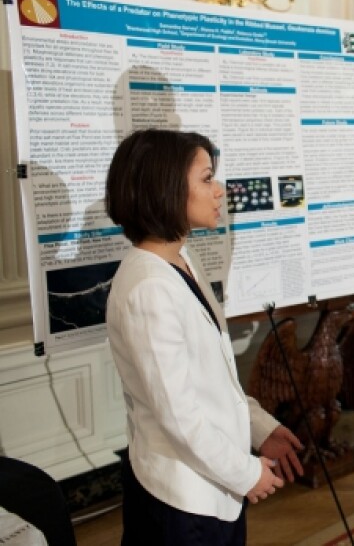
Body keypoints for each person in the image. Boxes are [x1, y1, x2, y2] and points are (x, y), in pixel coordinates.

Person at [104, 129, 305, 545]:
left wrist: (259, 428)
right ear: (167, 188)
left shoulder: (181, 260)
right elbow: (179, 415)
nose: (219, 190)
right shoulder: (148, 287)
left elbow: (212, 380)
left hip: (211, 488)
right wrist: (245, 473)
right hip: (182, 501)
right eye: (207, 178)